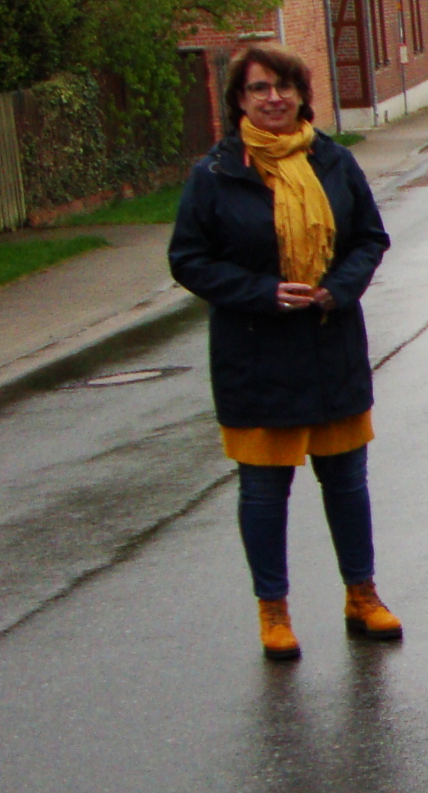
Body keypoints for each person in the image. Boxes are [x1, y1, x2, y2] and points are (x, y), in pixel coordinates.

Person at [168, 48, 400, 661]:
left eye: (285, 88)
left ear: (302, 95)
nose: (274, 98)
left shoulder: (334, 161)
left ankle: (362, 596)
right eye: (259, 89)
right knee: (265, 492)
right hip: (255, 355)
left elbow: (370, 237)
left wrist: (337, 289)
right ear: (239, 101)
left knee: (347, 483)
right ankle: (273, 611)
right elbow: (188, 259)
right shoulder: (215, 175)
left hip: (331, 345)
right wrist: (263, 293)